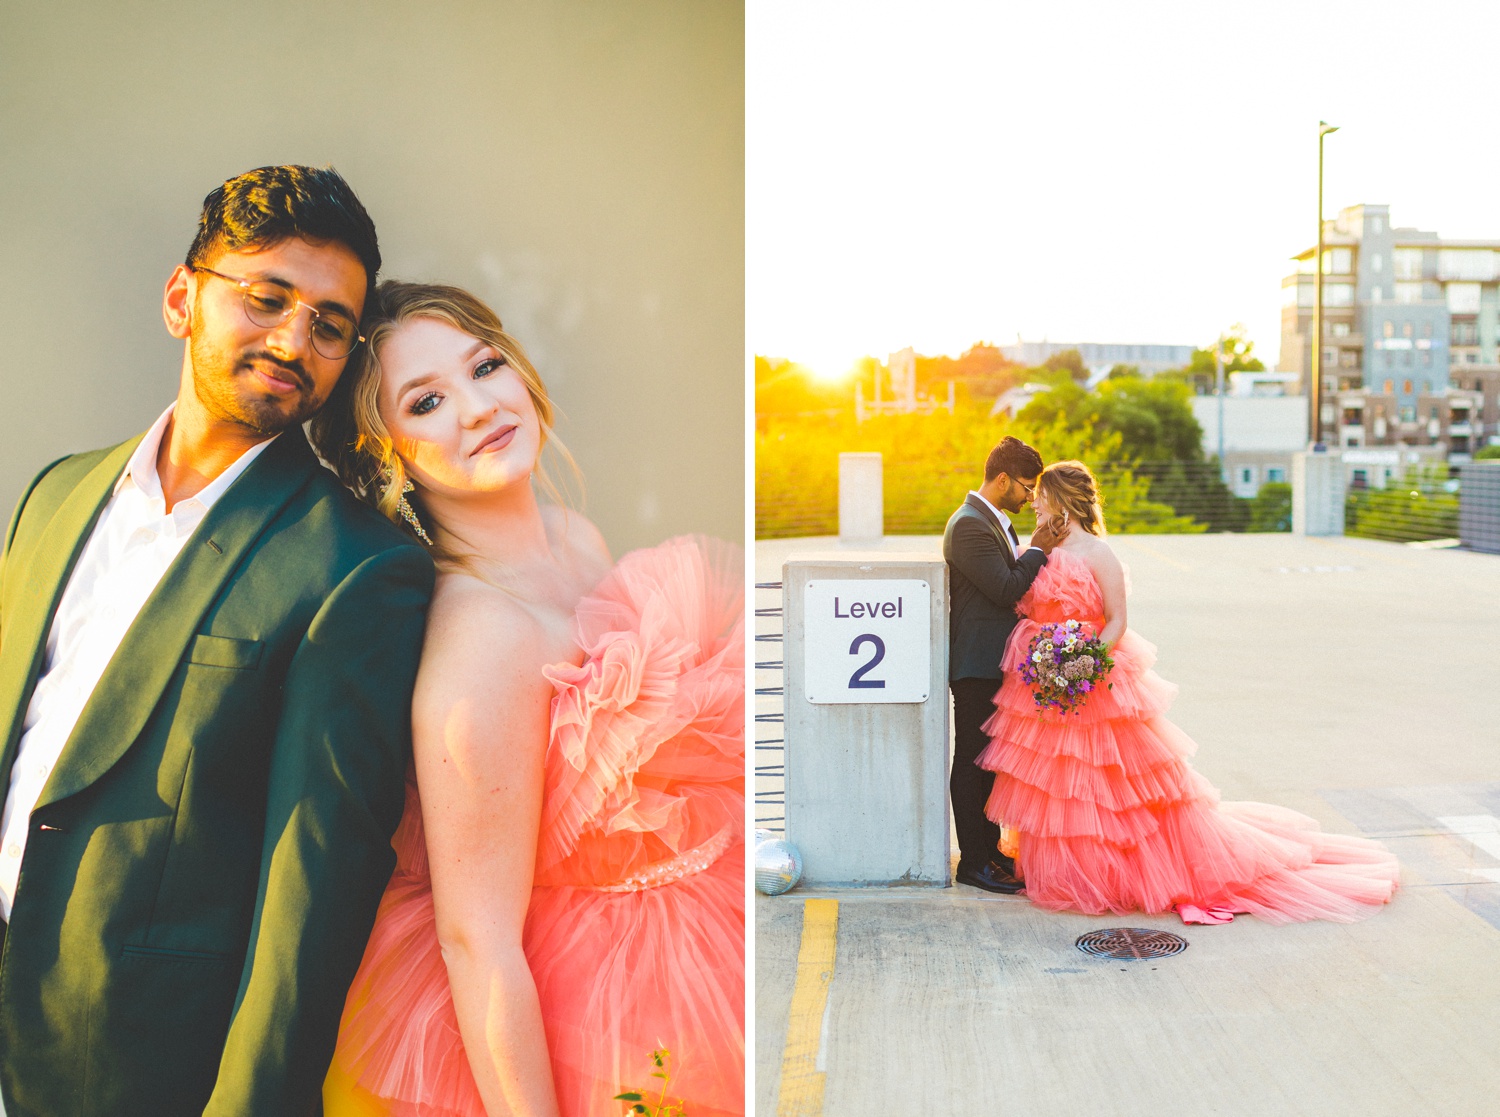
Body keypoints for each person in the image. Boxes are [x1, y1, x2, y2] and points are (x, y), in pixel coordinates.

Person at [0, 166, 434, 1116]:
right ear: (181, 299)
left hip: (136, 1064)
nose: (294, 340)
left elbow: (311, 894)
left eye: (329, 324)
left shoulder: (358, 568)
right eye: (267, 298)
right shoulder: (54, 496)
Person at [310, 282, 744, 1117]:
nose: (477, 407)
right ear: (388, 451)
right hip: (572, 1014)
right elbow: (476, 938)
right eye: (428, 400)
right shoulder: (482, 634)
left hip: (685, 962)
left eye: (486, 365)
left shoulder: (576, 538)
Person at [977, 460, 1399, 924]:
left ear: (1060, 499)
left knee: (1108, 789)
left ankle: (1109, 869)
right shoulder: (1035, 550)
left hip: (1093, 681)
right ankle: (1060, 866)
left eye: (1040, 494)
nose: (1033, 501)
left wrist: (1084, 664)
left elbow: (1117, 620)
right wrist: (1048, 661)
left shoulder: (1101, 555)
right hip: (1044, 685)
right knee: (1054, 785)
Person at [942, 436, 1060, 893]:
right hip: (976, 663)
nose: (1030, 497)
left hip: (994, 662)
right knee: (972, 762)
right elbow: (1005, 588)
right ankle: (972, 862)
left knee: (989, 764)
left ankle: (989, 853)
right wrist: (1037, 550)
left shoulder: (987, 521)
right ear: (1003, 479)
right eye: (1026, 488)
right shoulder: (969, 525)